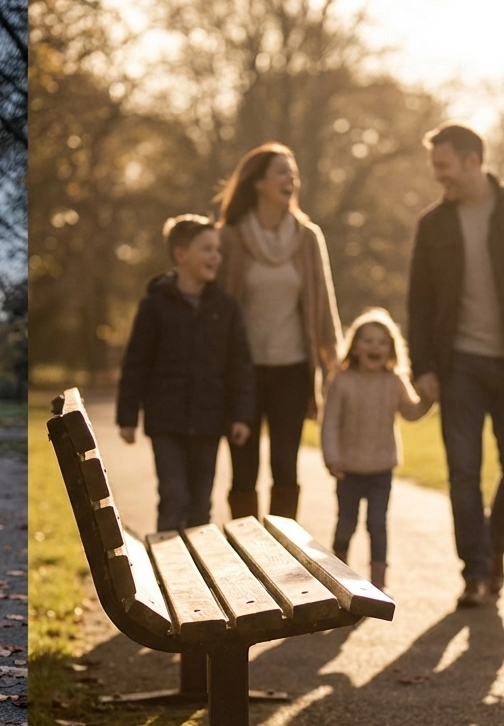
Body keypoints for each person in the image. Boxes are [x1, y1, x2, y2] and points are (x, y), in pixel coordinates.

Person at [408, 122, 504, 607]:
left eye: (444, 165)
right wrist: (422, 367)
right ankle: (476, 573)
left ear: (472, 160)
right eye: (434, 166)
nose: (437, 175)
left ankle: (491, 551)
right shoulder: (433, 224)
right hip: (458, 364)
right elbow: (419, 303)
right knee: (463, 472)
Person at [216, 142, 343, 521]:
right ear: (257, 182)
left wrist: (336, 362)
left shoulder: (307, 237)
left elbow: (323, 305)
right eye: (283, 172)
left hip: (293, 370)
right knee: (244, 469)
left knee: (286, 465)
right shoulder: (230, 238)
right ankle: (242, 544)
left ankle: (283, 543)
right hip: (243, 374)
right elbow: (215, 312)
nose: (293, 180)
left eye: (294, 173)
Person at [116, 214, 255, 531]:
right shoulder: (155, 305)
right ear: (180, 255)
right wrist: (127, 417)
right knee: (173, 497)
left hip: (209, 422)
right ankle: (165, 559)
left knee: (200, 506)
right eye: (207, 249)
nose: (215, 257)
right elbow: (136, 363)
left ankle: (196, 564)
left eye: (217, 250)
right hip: (166, 422)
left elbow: (240, 365)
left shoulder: (225, 307)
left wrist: (241, 415)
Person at [321, 308, 432, 590]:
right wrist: (332, 457)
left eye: (382, 342)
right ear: (355, 347)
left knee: (377, 524)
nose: (375, 347)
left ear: (391, 349)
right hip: (348, 469)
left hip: (381, 469)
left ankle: (378, 583)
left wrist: (428, 399)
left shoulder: (394, 382)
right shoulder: (342, 382)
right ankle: (338, 577)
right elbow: (330, 423)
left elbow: (411, 412)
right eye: (368, 341)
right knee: (346, 523)